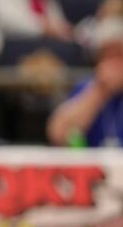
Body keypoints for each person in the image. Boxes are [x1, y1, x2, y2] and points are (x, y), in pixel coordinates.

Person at [47, 15, 123, 147]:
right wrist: (99, 91)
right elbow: (58, 135)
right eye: (107, 55)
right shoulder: (87, 87)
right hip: (94, 163)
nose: (113, 63)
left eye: (118, 55)